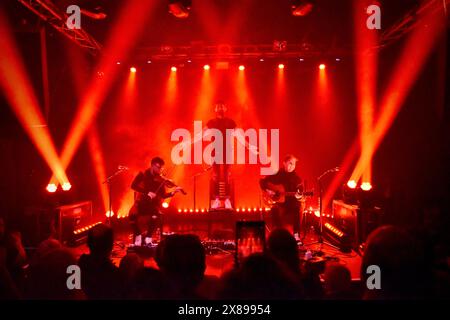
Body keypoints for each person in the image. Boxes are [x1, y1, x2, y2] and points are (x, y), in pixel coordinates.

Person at [130, 156, 183, 240]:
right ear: (152, 165)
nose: (160, 169)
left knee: (156, 214)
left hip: (152, 204)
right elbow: (133, 186)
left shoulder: (160, 179)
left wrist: (173, 192)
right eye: (158, 167)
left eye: (161, 168)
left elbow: (163, 195)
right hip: (140, 202)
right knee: (131, 216)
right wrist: (147, 192)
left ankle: (148, 237)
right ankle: (138, 235)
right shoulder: (142, 174)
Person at [260, 154, 304, 241]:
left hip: (291, 204)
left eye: (294, 164)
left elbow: (301, 193)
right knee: (274, 209)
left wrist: (299, 196)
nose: (292, 166)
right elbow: (262, 181)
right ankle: (277, 236)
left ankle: (296, 236)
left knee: (298, 207)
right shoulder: (277, 174)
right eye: (290, 163)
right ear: (284, 163)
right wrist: (268, 191)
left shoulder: (297, 179)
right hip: (279, 203)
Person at [206, 102, 237, 210]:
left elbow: (238, 135)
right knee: (215, 176)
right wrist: (190, 141)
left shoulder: (230, 122)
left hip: (227, 151)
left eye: (222, 106)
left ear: (225, 108)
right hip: (215, 151)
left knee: (227, 176)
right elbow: (202, 133)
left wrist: (248, 145)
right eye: (218, 106)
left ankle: (227, 200)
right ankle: (217, 200)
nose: (220, 108)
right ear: (215, 109)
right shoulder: (211, 122)